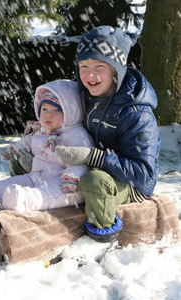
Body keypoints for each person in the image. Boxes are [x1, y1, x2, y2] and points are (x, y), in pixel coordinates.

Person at [54, 26, 160, 243]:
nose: (89, 74)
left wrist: (94, 157)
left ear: (116, 69)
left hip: (131, 186)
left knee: (95, 181)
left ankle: (101, 237)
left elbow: (143, 174)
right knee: (36, 158)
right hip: (92, 167)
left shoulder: (136, 113)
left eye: (100, 66)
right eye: (83, 65)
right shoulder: (85, 96)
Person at [0, 79, 94, 212]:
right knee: (19, 181)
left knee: (46, 194)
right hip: (37, 175)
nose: (48, 114)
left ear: (71, 112)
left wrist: (72, 176)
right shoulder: (41, 131)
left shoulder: (76, 134)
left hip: (63, 182)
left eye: (57, 110)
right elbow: (27, 141)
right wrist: (13, 150)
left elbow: (82, 159)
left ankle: (25, 200)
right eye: (44, 109)